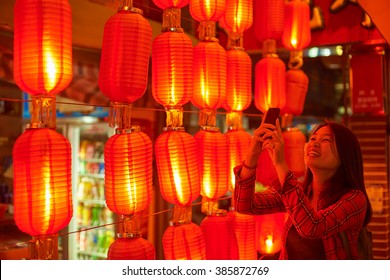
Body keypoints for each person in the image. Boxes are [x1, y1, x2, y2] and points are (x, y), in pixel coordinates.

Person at [234, 119, 372, 260]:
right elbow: (245, 205)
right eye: (312, 138)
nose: (314, 143)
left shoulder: (355, 199)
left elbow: (311, 226)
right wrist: (253, 154)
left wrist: (280, 163)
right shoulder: (301, 191)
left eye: (326, 140)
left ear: (345, 155)